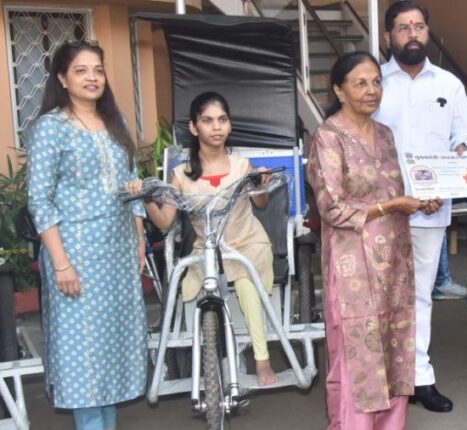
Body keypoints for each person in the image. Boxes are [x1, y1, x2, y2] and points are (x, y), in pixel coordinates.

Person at [308, 51, 441, 430]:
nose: (372, 90)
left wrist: (421, 202)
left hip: (393, 259)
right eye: (360, 83)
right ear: (339, 90)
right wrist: (393, 205)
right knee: (358, 354)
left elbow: (393, 192)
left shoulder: (385, 135)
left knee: (394, 346)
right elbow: (332, 208)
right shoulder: (328, 137)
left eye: (376, 82)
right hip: (352, 264)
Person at [26, 39, 147, 430]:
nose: (92, 77)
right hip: (75, 255)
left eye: (97, 69)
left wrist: (139, 238)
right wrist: (61, 264)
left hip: (118, 254)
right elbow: (40, 201)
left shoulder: (116, 122)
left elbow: (131, 182)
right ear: (62, 79)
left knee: (110, 353)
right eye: (81, 70)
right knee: (83, 357)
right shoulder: (51, 128)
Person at [373, 0, 467, 413]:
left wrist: (462, 152)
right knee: (379, 296)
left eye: (419, 26)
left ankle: (419, 378)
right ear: (389, 36)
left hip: (430, 206)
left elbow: (466, 134)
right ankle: (380, 379)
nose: (413, 33)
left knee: (419, 296)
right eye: (403, 27)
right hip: (381, 209)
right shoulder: (374, 82)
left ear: (427, 32)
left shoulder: (448, 84)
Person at [130, 91, 278, 386]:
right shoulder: (181, 174)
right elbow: (165, 222)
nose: (216, 127)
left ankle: (262, 360)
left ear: (229, 125)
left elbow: (260, 205)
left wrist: (261, 185)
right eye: (208, 121)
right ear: (194, 127)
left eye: (222, 120)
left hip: (248, 243)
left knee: (245, 280)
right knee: (194, 283)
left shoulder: (242, 166)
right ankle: (210, 359)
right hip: (208, 249)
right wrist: (146, 199)